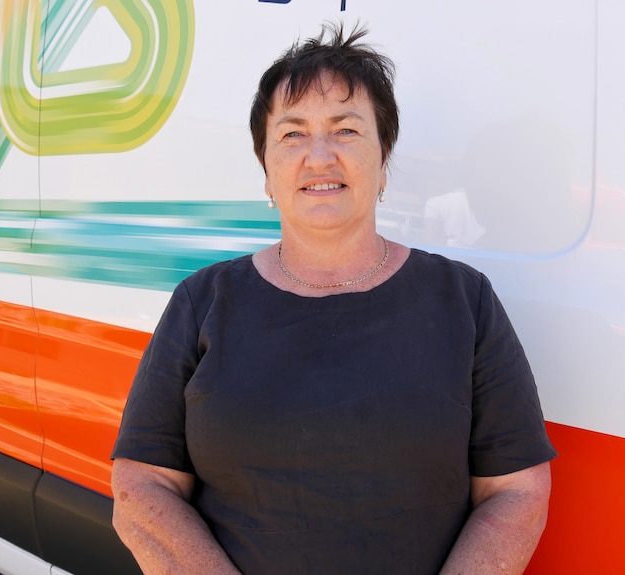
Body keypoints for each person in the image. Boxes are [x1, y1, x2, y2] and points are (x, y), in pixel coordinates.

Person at [111, 22, 556, 575]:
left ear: (384, 157)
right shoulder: (202, 301)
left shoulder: (465, 301)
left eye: (346, 130)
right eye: (292, 135)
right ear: (267, 169)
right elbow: (141, 484)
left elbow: (516, 491)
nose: (319, 156)